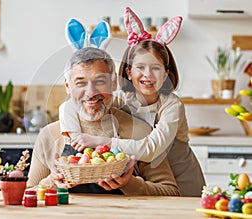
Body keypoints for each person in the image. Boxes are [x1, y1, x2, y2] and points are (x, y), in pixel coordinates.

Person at [58, 7, 205, 197]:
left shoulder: (172, 106)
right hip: (151, 176)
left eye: (156, 68)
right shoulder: (123, 99)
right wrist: (74, 137)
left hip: (182, 179)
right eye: (140, 67)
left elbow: (151, 150)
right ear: (129, 72)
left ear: (166, 74)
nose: (147, 75)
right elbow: (69, 104)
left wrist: (100, 141)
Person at [27, 43, 180, 196]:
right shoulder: (49, 135)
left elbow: (171, 192)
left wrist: (130, 184)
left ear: (113, 83)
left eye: (100, 81)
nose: (91, 92)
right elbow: (28, 195)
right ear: (68, 86)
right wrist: (53, 182)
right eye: (80, 83)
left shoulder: (141, 132)